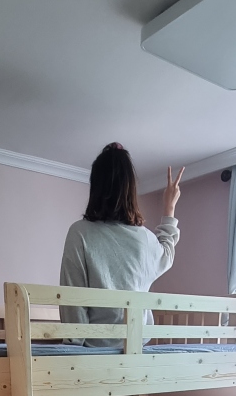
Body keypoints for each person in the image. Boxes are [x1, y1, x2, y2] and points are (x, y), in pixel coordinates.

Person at [59, 143, 184, 346]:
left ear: (95, 186)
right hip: (136, 346)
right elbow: (167, 254)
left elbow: (73, 296)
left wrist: (74, 346)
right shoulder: (144, 239)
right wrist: (169, 207)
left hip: (95, 348)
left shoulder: (80, 232)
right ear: (130, 189)